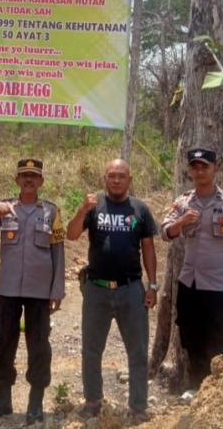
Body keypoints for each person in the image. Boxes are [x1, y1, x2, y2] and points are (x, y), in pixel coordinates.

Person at [66, 158, 158, 422]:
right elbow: (71, 235)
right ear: (104, 179)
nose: (116, 180)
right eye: (111, 175)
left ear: (129, 180)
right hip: (96, 289)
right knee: (91, 349)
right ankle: (93, 401)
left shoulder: (140, 209)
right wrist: (82, 210)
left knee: (138, 351)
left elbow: (149, 249)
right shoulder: (94, 206)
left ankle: (138, 407)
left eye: (121, 176)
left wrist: (152, 285)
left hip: (131, 289)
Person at [0, 159, 65, 426]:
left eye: (33, 176)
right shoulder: (4, 208)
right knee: (4, 344)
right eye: (24, 175)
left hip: (39, 292)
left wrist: (57, 289)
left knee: (39, 346)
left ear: (41, 181)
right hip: (9, 290)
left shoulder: (51, 211)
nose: (28, 180)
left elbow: (58, 252)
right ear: (16, 180)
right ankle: (3, 400)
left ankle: (35, 403)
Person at [160, 148, 223, 389]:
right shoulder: (182, 202)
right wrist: (181, 222)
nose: (200, 171)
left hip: (220, 284)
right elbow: (165, 232)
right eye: (195, 167)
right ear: (189, 170)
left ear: (216, 168)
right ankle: (196, 388)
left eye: (205, 166)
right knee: (192, 338)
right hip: (189, 283)